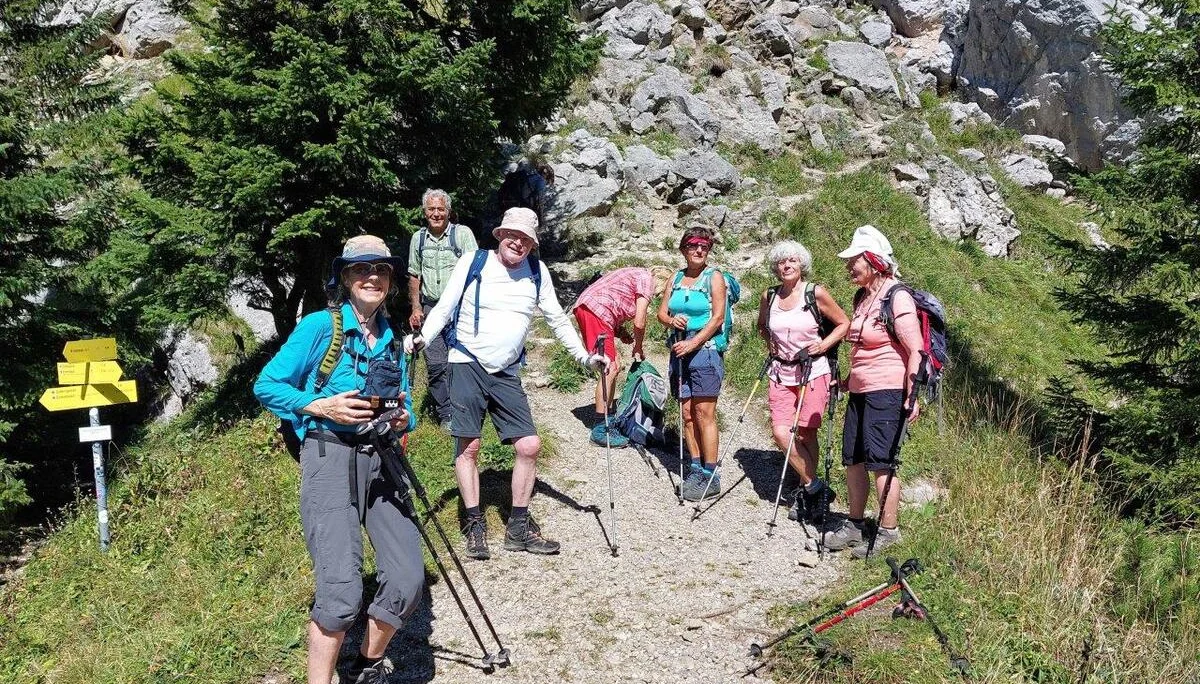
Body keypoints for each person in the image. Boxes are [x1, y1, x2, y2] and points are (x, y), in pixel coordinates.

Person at [254, 235, 420, 684]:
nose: (373, 277)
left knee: (407, 579)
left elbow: (408, 408)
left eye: (381, 270)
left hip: (381, 456)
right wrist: (320, 406)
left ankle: (367, 663)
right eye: (362, 269)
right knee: (342, 592)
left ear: (390, 280)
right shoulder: (318, 327)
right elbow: (266, 386)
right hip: (328, 453)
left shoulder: (392, 337)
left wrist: (405, 417)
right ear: (345, 278)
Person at [413, 207, 608, 560]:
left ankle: (517, 528)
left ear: (532, 246)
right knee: (469, 447)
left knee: (529, 445)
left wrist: (584, 357)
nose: (518, 243)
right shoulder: (474, 262)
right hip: (466, 361)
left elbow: (557, 320)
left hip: (506, 371)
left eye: (526, 240)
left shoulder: (536, 271)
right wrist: (423, 338)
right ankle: (474, 524)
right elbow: (443, 307)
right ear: (501, 236)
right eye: (513, 236)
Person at [823, 225, 922, 559]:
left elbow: (916, 350)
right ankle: (854, 524)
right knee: (853, 459)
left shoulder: (898, 296)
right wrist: (848, 382)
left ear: (874, 261)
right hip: (861, 392)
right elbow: (862, 350)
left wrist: (912, 395)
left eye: (855, 261)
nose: (849, 268)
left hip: (889, 392)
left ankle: (888, 530)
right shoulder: (863, 298)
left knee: (882, 463)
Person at [756, 240, 849, 524]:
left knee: (807, 434)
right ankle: (814, 487)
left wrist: (823, 345)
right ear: (775, 267)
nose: (786, 266)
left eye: (792, 261)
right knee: (781, 432)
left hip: (814, 370)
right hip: (781, 371)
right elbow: (762, 325)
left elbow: (844, 323)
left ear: (802, 265)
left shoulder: (815, 293)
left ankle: (804, 490)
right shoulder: (769, 296)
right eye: (782, 262)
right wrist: (770, 343)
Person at [657, 225, 727, 502]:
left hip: (704, 351)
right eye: (694, 245)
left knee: (703, 413)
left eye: (704, 246)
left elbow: (718, 318)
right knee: (686, 413)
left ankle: (711, 474)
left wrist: (693, 342)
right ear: (684, 249)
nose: (699, 250)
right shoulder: (675, 277)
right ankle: (696, 468)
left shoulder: (714, 277)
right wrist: (671, 321)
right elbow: (662, 313)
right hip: (679, 350)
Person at [573, 265, 672, 447]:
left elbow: (614, 299)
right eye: (662, 293)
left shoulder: (636, 275)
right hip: (595, 311)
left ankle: (607, 420)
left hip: (593, 309)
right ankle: (600, 429)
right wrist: (638, 347)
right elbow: (640, 322)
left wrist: (620, 332)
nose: (658, 297)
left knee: (614, 364)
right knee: (609, 368)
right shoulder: (646, 280)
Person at [407, 189, 478, 430]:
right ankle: (446, 414)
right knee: (435, 363)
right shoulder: (418, 239)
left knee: (463, 361)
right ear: (424, 212)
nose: (436, 214)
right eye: (431, 209)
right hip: (430, 307)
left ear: (448, 211)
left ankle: (468, 410)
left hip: (460, 308)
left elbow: (476, 270)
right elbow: (414, 274)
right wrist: (416, 306)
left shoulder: (462, 234)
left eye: (441, 209)